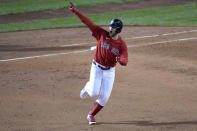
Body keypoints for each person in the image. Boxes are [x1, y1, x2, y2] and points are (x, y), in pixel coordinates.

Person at [69, 2, 128, 125]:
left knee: (105, 97)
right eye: (110, 26)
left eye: (113, 27)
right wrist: (76, 11)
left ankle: (91, 115)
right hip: (96, 67)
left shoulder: (121, 45)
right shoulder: (101, 33)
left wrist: (120, 60)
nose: (110, 28)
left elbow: (125, 60)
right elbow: (88, 22)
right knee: (94, 92)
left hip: (110, 71)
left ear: (118, 30)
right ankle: (87, 87)